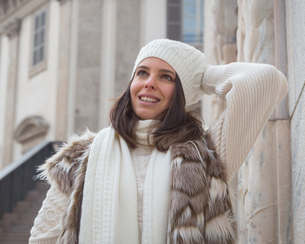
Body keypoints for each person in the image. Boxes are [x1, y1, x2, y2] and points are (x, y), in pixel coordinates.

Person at [29, 39, 288, 244]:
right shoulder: (83, 157)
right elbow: (42, 238)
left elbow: (267, 81)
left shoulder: (206, 151)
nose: (149, 83)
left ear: (182, 91)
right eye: (142, 73)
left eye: (166, 77)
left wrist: (201, 76)